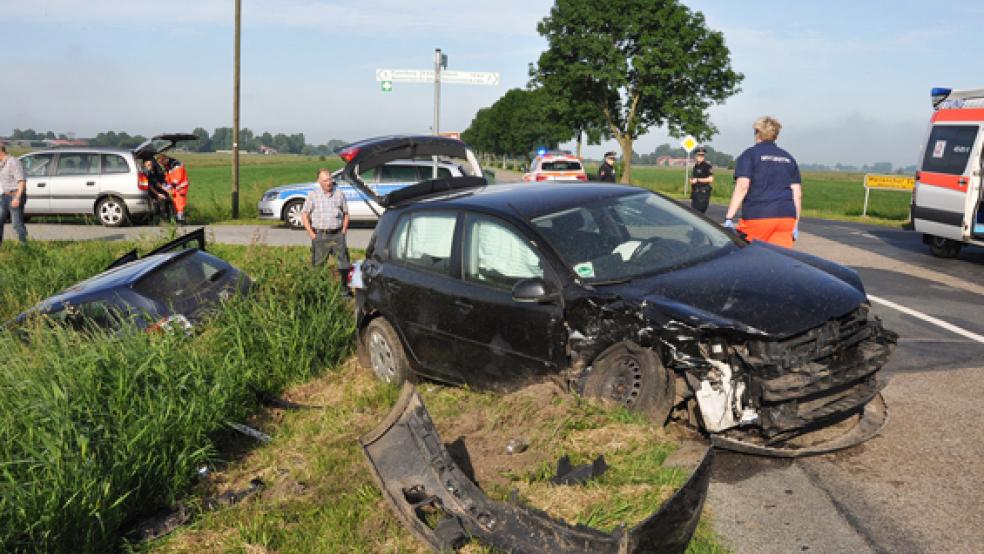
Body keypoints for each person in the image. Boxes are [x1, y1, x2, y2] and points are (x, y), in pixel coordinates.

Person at [724, 116, 802, 248]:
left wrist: (729, 218)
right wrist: (796, 223)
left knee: (748, 256)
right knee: (778, 260)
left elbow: (742, 185)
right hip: (786, 217)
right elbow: (797, 194)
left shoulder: (750, 155)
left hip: (759, 215)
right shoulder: (788, 158)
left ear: (758, 133)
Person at [300, 168, 351, 291]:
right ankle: (319, 290)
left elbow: (346, 213)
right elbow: (304, 214)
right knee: (318, 265)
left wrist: (343, 231)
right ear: (319, 181)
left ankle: (344, 289)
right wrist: (312, 234)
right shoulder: (313, 195)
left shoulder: (339, 193)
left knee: (344, 265)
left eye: (330, 179)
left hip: (337, 234)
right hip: (320, 235)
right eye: (325, 180)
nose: (329, 182)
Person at [0, 144, 28, 245]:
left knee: (16, 224)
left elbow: (22, 181)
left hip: (15, 195)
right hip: (5, 195)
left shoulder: (13, 161)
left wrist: (17, 197)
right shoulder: (1, 163)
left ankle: (24, 246)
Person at [157, 154, 190, 224]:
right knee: (176, 203)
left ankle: (180, 220)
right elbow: (168, 176)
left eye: (162, 163)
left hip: (181, 187)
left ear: (165, 159)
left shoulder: (176, 164)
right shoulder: (168, 165)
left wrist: (169, 186)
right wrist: (165, 183)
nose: (162, 165)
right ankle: (179, 218)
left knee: (180, 203)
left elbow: (178, 178)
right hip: (176, 187)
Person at [141, 159, 174, 223]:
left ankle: (167, 218)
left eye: (151, 165)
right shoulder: (145, 173)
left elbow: (157, 183)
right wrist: (158, 194)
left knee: (167, 199)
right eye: (149, 165)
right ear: (145, 166)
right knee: (161, 200)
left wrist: (167, 190)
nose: (151, 166)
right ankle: (162, 219)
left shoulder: (151, 173)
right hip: (147, 192)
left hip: (154, 191)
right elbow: (150, 186)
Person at [689, 147, 714, 213]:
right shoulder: (696, 166)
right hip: (695, 193)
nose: (701, 157)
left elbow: (710, 179)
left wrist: (697, 180)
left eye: (702, 155)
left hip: (702, 193)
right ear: (695, 156)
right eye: (699, 155)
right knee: (694, 213)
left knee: (698, 214)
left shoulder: (707, 166)